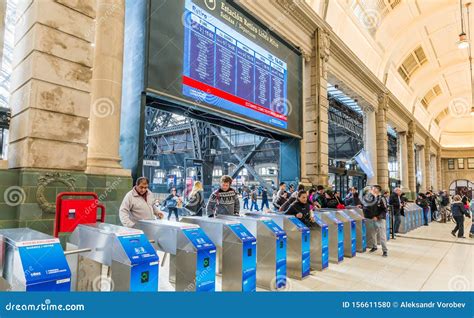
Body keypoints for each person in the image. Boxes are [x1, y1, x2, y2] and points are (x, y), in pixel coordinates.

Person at [362, 185, 388, 257]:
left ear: (377, 190)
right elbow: (367, 207)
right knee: (373, 233)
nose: (371, 190)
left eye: (373, 188)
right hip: (372, 218)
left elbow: (385, 210)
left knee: (382, 235)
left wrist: (378, 217)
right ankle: (374, 246)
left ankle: (385, 250)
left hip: (380, 219)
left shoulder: (382, 198)